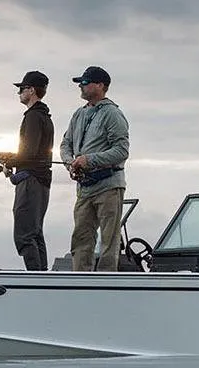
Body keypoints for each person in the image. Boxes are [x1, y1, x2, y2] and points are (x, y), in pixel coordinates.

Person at [60, 66, 130, 272]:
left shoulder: (113, 114)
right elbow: (65, 144)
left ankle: (106, 282)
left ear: (100, 86)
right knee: (81, 238)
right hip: (84, 189)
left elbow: (121, 151)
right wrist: (70, 164)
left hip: (109, 186)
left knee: (109, 241)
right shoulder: (78, 114)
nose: (80, 87)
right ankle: (80, 282)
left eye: (85, 82)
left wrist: (88, 160)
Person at [0, 70, 54, 271]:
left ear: (31, 90)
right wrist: (10, 157)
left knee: (24, 235)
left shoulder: (33, 117)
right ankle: (42, 277)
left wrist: (9, 159)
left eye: (21, 88)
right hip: (39, 181)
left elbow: (29, 153)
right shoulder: (43, 116)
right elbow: (33, 152)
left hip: (31, 183)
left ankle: (36, 278)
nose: (19, 92)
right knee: (35, 232)